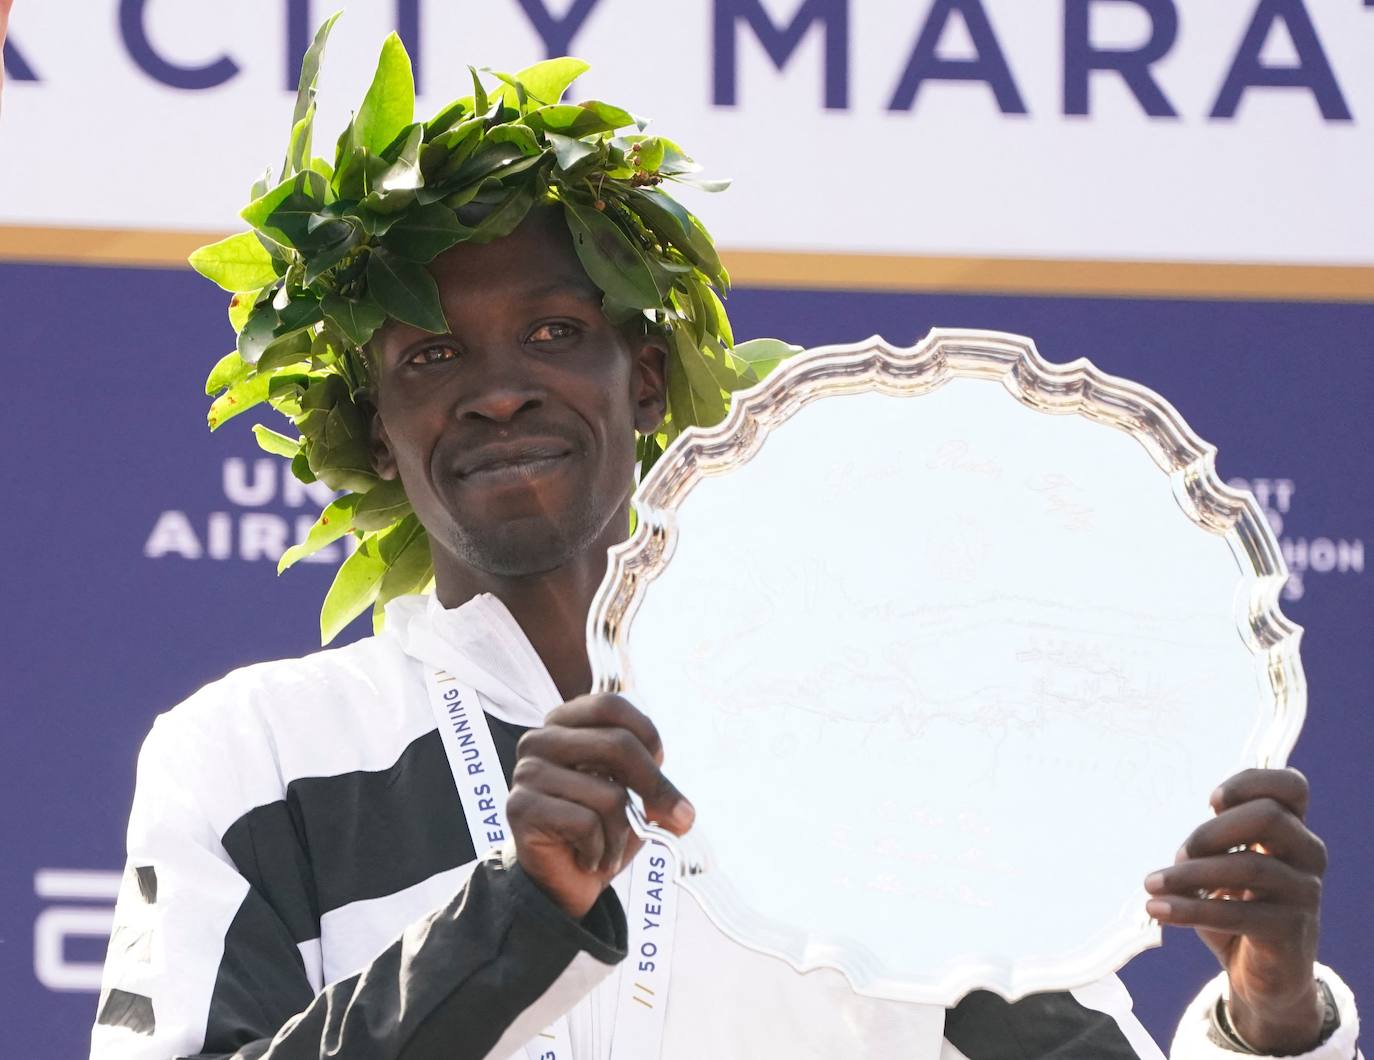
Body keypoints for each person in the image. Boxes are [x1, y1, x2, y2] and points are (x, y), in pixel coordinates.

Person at [90, 22, 1360, 1060]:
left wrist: (1271, 1016)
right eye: (431, 354)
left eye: (549, 332)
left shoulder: (863, 734)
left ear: (646, 380)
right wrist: (516, 918)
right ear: (372, 434)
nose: (496, 390)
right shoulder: (258, 753)